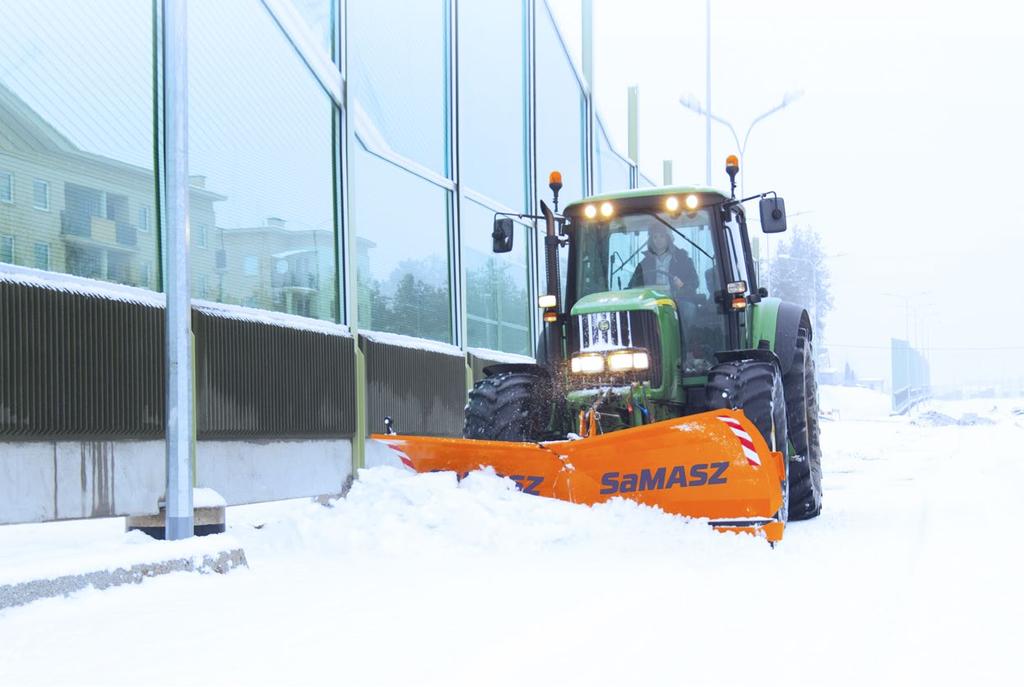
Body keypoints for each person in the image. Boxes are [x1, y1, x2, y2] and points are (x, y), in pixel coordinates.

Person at [627, 225, 700, 301]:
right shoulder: (644, 264)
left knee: (688, 308)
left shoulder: (683, 260)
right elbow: (633, 285)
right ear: (651, 240)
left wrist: (682, 286)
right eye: (655, 237)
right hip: (651, 301)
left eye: (662, 236)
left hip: (678, 301)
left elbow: (694, 282)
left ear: (668, 238)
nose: (658, 240)